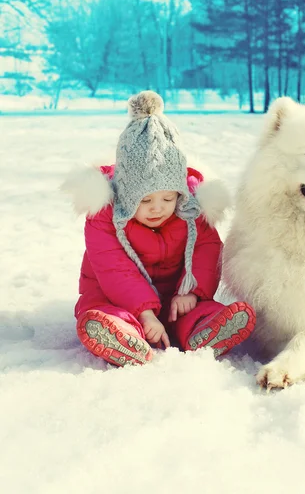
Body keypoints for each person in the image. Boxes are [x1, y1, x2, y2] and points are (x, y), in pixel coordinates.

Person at [63, 90, 256, 367]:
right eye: (145, 200)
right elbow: (113, 267)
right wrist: (144, 313)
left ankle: (205, 329)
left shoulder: (190, 209)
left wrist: (192, 291)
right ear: (125, 194)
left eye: (168, 198)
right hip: (114, 292)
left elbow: (208, 248)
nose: (158, 208)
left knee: (197, 311)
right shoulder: (104, 215)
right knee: (101, 308)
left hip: (176, 294)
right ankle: (123, 333)